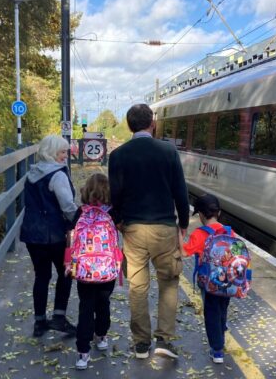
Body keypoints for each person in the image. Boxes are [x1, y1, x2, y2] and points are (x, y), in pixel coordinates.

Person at [109, 104, 190, 359]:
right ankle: (164, 340)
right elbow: (180, 191)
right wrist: (183, 225)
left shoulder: (118, 155)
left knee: (137, 288)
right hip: (164, 228)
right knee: (168, 284)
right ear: (152, 124)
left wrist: (118, 221)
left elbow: (115, 195)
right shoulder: (168, 151)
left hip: (133, 230)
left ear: (129, 125)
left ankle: (141, 344)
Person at [19, 135, 78, 337]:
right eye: (62, 152)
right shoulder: (58, 175)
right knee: (67, 273)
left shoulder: (31, 173)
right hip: (55, 234)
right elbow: (68, 206)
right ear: (52, 153)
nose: (64, 156)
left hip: (32, 234)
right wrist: (80, 220)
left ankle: (40, 322)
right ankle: (59, 318)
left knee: (41, 276)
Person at [181, 193, 234, 364]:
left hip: (210, 283)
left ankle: (217, 351)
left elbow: (184, 252)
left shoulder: (199, 233)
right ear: (218, 213)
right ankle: (222, 328)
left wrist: (179, 236)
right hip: (228, 282)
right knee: (222, 308)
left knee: (211, 313)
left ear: (202, 215)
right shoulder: (229, 231)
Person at [72, 173, 119, 370]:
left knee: (85, 307)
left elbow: (71, 234)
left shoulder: (80, 212)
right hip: (107, 271)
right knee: (103, 303)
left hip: (84, 271)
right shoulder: (113, 213)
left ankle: (83, 353)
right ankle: (101, 337)